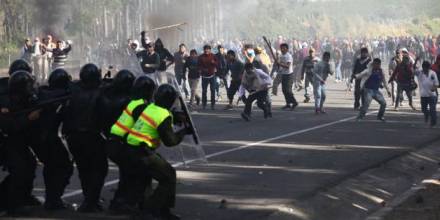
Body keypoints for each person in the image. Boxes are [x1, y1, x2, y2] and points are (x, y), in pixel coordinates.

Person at [126, 84, 191, 220]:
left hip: (131, 150)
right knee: (168, 176)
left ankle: (153, 209)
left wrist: (175, 116)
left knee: (146, 177)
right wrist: (184, 131)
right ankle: (154, 210)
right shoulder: (163, 115)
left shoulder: (149, 107)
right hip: (143, 152)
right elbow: (170, 141)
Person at [107, 75, 156, 213]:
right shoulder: (139, 105)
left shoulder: (132, 101)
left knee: (128, 174)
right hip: (120, 144)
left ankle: (121, 203)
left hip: (115, 143)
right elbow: (151, 121)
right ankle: (127, 204)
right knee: (138, 174)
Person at [63, 64, 107, 212]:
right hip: (91, 136)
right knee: (99, 168)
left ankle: (89, 199)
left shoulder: (71, 90)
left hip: (73, 136)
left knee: (84, 168)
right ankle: (90, 201)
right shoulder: (99, 93)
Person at [0, 70, 42, 215]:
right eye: (28, 86)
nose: (31, 89)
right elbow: (8, 127)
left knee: (29, 164)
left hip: (16, 142)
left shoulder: (23, 99)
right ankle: (12, 204)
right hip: (6, 142)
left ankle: (23, 197)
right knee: (19, 170)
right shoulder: (5, 102)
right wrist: (28, 119)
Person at [35, 69, 74, 210]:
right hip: (48, 138)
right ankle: (53, 199)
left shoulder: (42, 93)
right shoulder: (59, 97)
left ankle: (51, 198)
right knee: (64, 167)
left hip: (39, 138)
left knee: (51, 167)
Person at [415, 60, 438, 127]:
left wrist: (433, 88)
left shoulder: (433, 73)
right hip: (423, 95)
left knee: (432, 110)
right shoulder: (420, 73)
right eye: (424, 68)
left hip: (432, 95)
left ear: (429, 67)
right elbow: (413, 69)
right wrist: (416, 60)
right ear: (423, 67)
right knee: (424, 109)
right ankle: (427, 114)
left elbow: (436, 84)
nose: (426, 69)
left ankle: (433, 122)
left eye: (427, 68)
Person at [276, 43, 298, 110]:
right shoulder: (281, 56)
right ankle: (288, 103)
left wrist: (279, 63)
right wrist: (277, 62)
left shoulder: (288, 56)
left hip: (289, 75)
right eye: (281, 48)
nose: (282, 49)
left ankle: (294, 102)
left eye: (284, 48)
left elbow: (287, 66)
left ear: (287, 49)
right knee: (284, 90)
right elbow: (279, 65)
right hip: (283, 74)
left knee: (288, 90)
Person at [198, 45, 218, 110]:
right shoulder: (201, 57)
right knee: (204, 91)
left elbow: (218, 64)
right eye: (205, 49)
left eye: (208, 49)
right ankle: (204, 104)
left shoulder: (213, 56)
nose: (206, 50)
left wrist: (214, 62)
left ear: (210, 50)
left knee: (212, 90)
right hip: (204, 77)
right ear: (204, 50)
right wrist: (202, 69)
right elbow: (198, 65)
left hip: (212, 76)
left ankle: (213, 104)